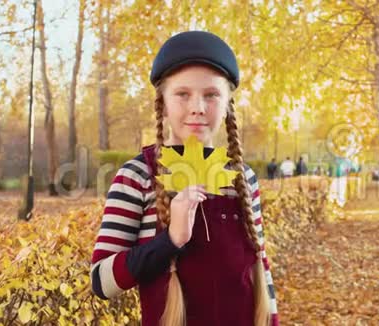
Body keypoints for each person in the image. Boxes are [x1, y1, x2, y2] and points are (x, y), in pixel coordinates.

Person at [90, 31, 278, 326]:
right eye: (182, 94)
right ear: (162, 103)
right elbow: (101, 281)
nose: (198, 107)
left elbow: (261, 269)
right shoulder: (137, 176)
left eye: (211, 95)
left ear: (228, 102)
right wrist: (170, 240)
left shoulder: (243, 177)